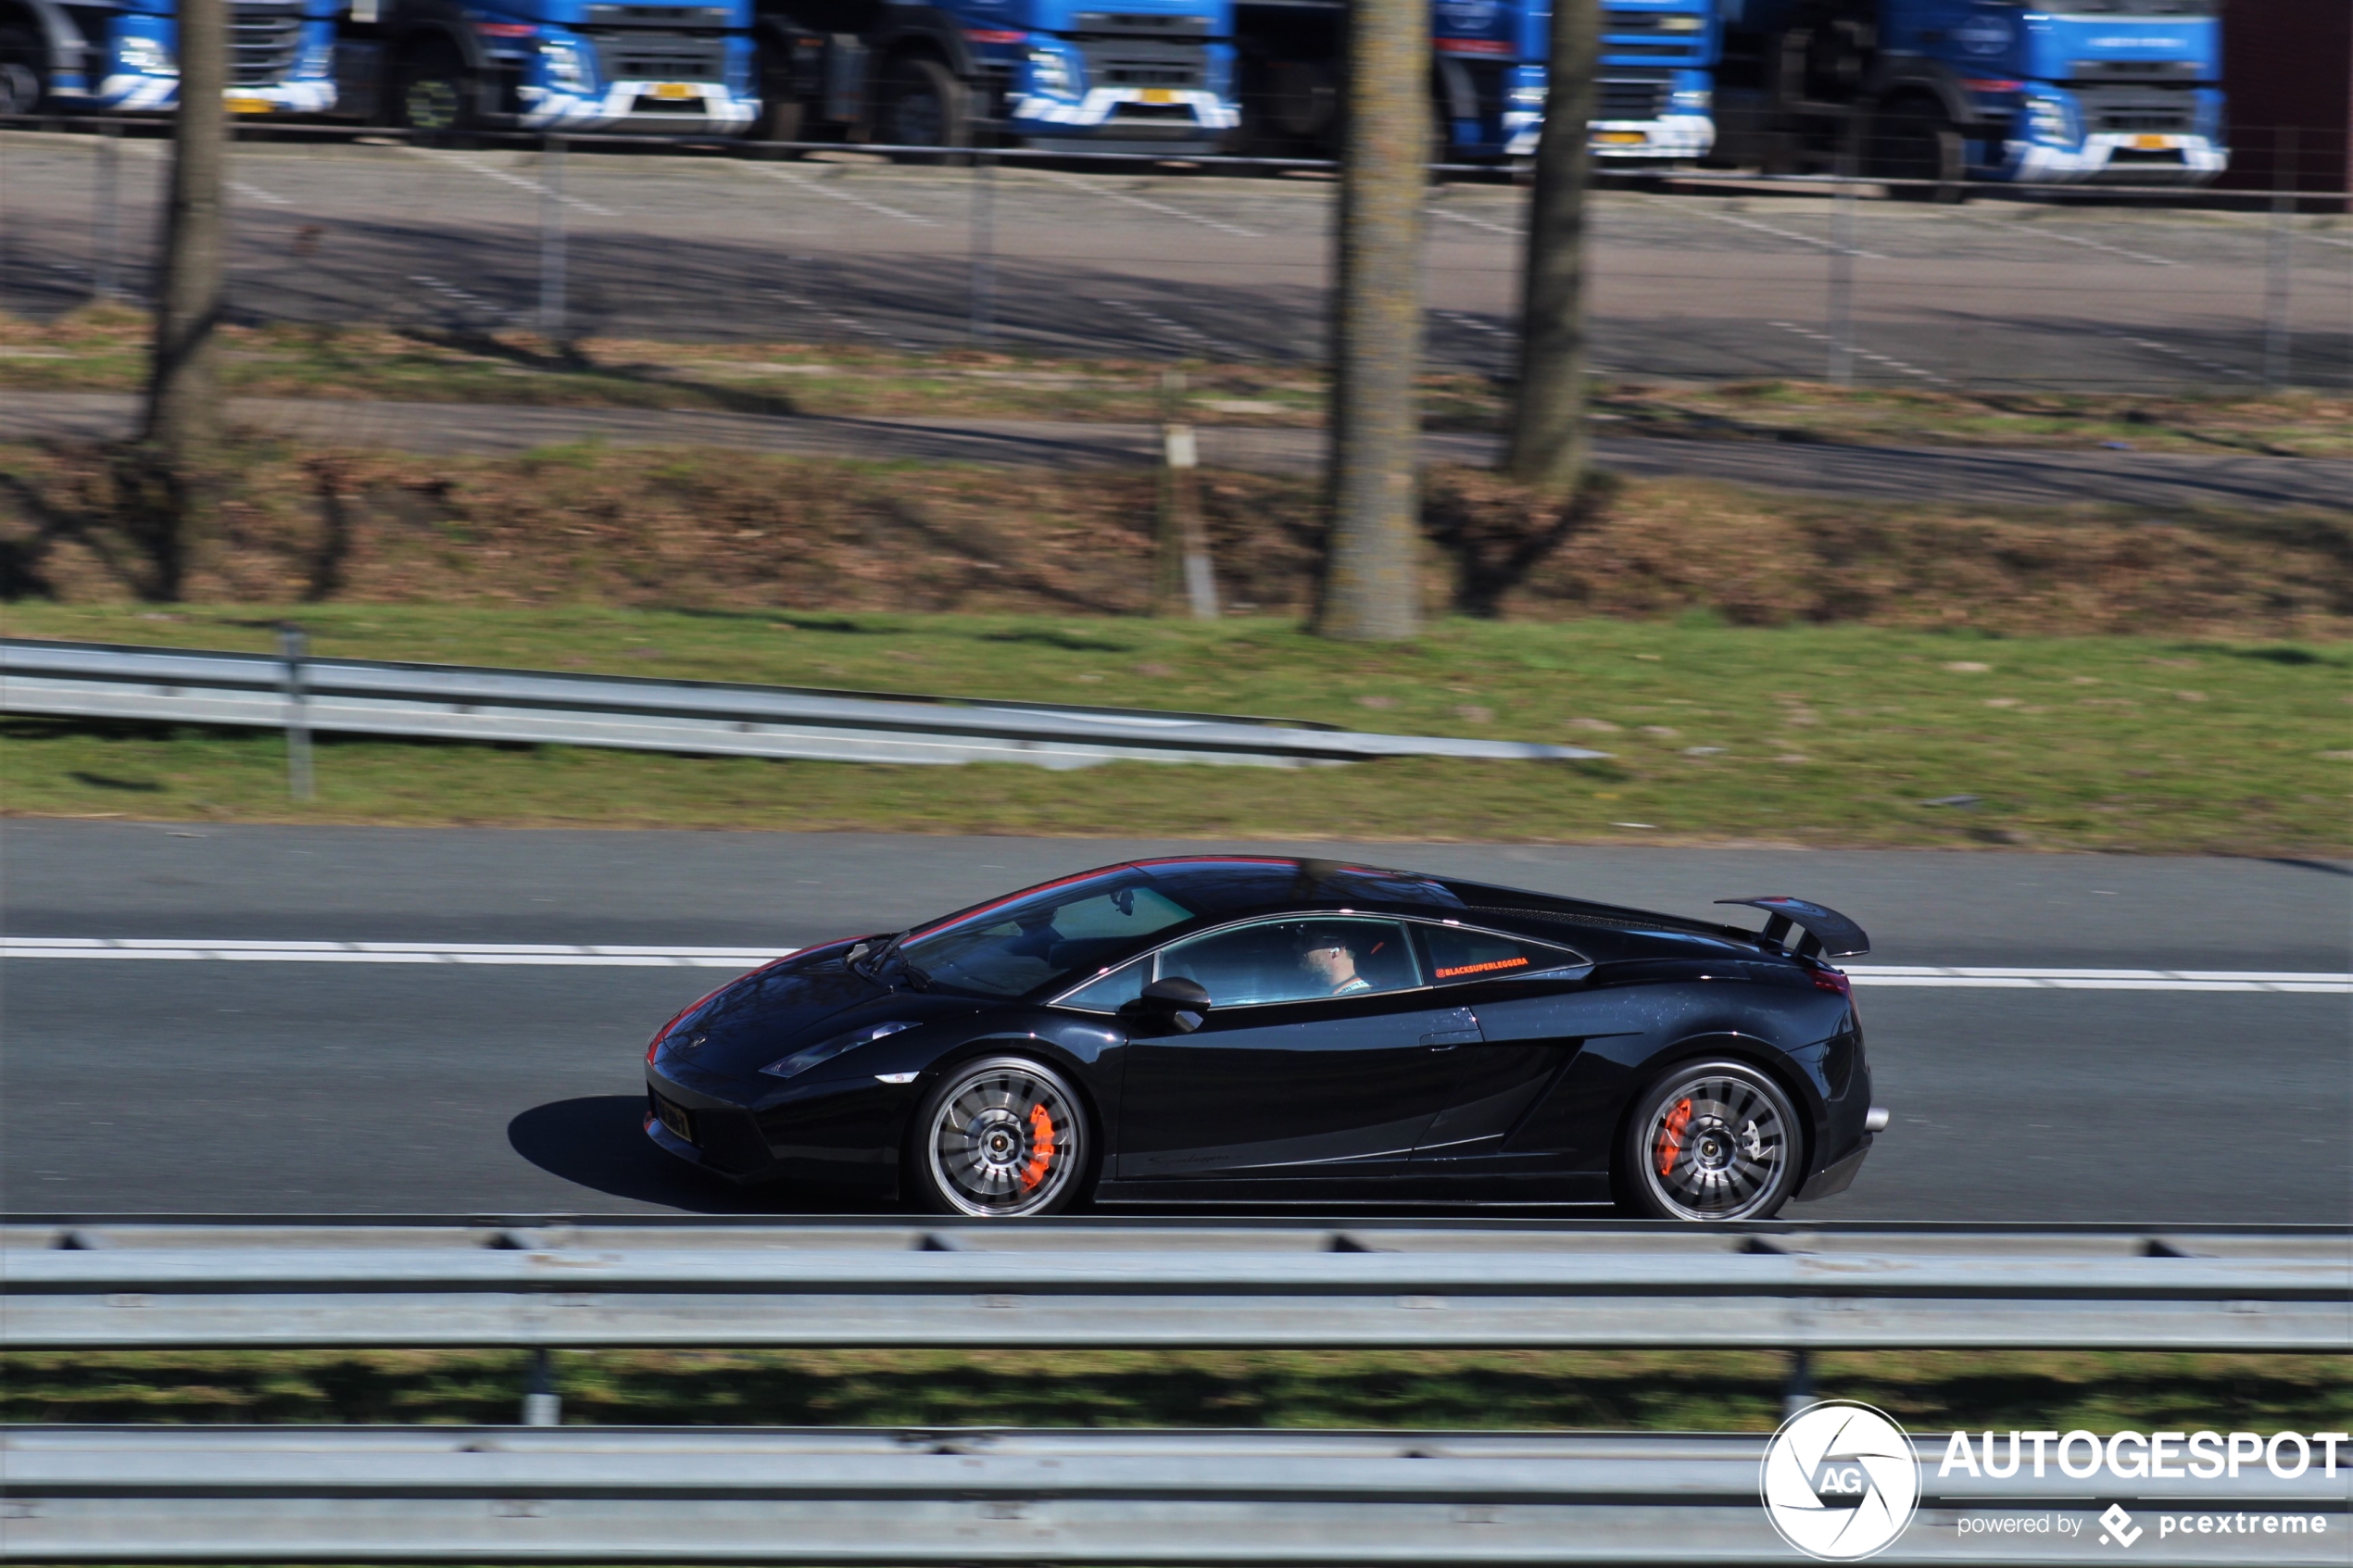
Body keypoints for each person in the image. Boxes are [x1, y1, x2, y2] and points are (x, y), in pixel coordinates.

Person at [1297, 926, 1372, 997]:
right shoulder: (1306, 988)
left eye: (1308, 941)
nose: (1296, 946)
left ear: (1338, 948)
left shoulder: (1361, 995)